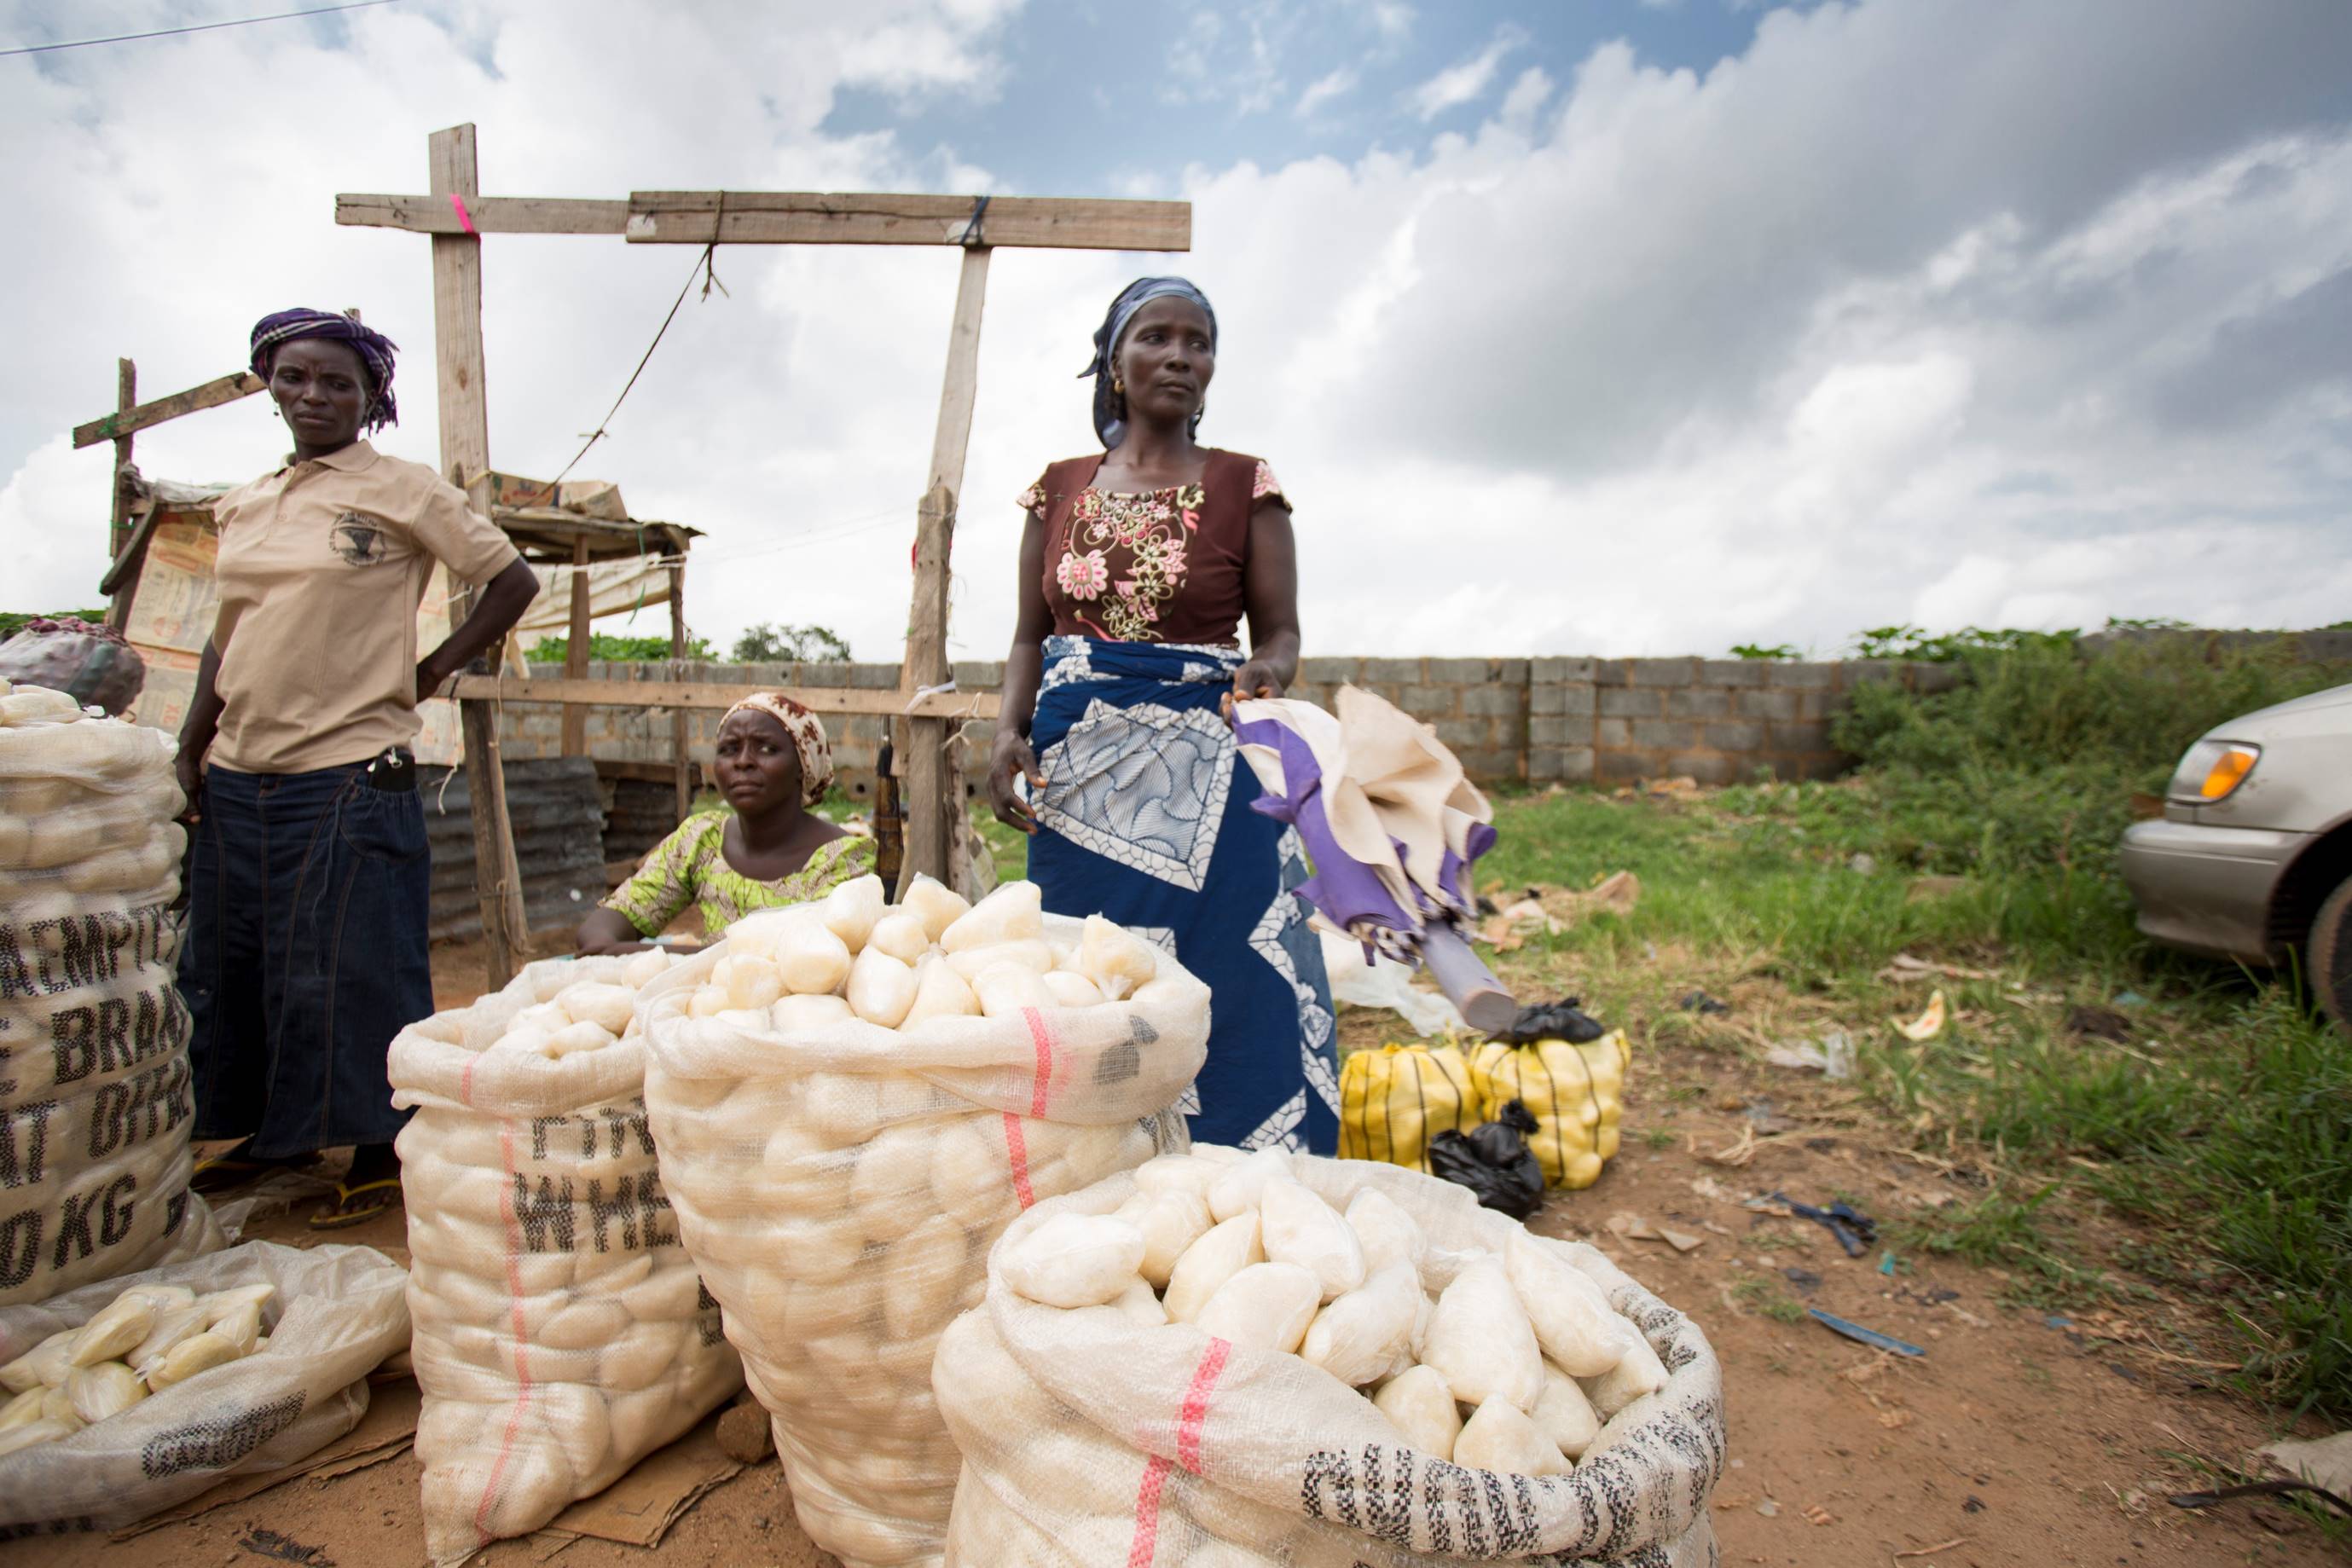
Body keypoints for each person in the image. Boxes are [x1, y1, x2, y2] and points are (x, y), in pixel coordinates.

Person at [177, 307, 541, 1227]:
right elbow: (229, 640)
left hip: (345, 764)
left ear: (372, 396)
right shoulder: (247, 503)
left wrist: (427, 672)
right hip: (239, 768)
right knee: (242, 959)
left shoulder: (402, 490)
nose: (314, 395)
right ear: (268, 381)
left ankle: (380, 1149)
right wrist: (191, 745)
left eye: (338, 382)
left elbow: (511, 582)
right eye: (295, 377)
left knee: (351, 964)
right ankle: (273, 1137)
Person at [988, 277, 1338, 1154]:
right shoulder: (1057, 488)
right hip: (1080, 771)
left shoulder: (1243, 484)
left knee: (1233, 968)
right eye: (1155, 338)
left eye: (1198, 342)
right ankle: (1093, 1165)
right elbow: (1030, 637)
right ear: (1113, 360)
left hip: (1214, 761)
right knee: (1087, 970)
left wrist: (1266, 669)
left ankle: (1248, 1175)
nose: (1180, 356)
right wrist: (1006, 733)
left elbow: (1281, 630)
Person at [578, 693, 876, 952]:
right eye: (729, 749)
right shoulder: (702, 840)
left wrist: (689, 957)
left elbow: (812, 962)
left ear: (804, 766)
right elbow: (600, 931)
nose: (742, 761)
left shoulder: (842, 859)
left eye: (767, 749)